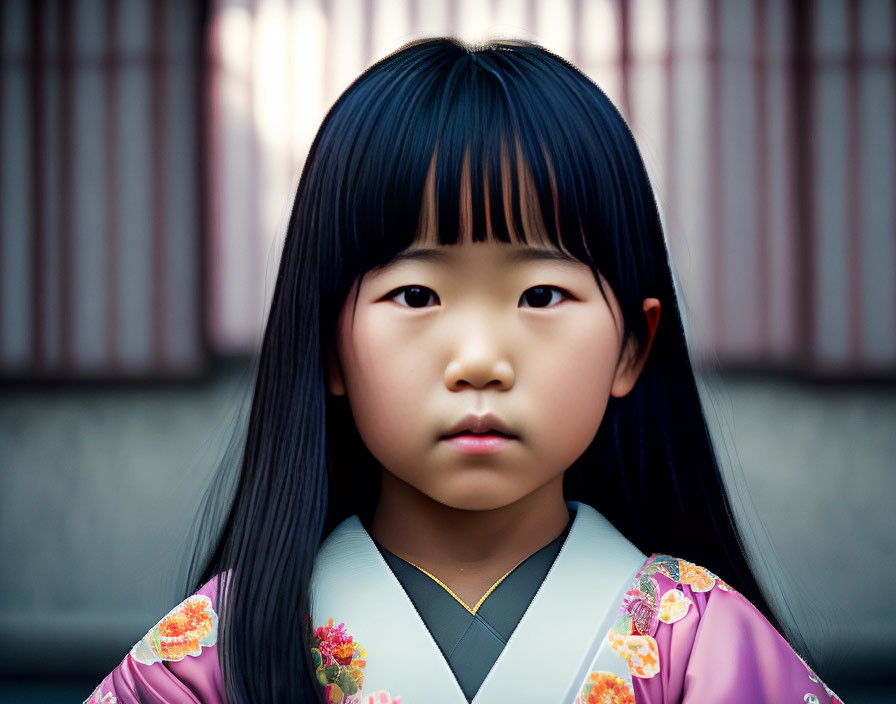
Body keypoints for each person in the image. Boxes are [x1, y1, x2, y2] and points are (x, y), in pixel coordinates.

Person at [84, 38, 843, 704]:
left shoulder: (700, 650)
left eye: (541, 294)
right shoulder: (219, 653)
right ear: (327, 347)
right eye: (416, 294)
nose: (479, 359)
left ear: (631, 348)